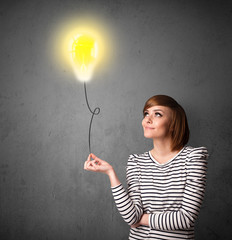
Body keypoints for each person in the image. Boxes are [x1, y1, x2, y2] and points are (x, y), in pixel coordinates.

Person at [84, 95, 208, 240]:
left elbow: (185, 219)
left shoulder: (193, 158)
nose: (147, 119)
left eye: (157, 114)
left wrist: (141, 219)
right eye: (146, 114)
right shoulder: (136, 162)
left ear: (174, 123)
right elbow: (131, 217)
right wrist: (110, 173)